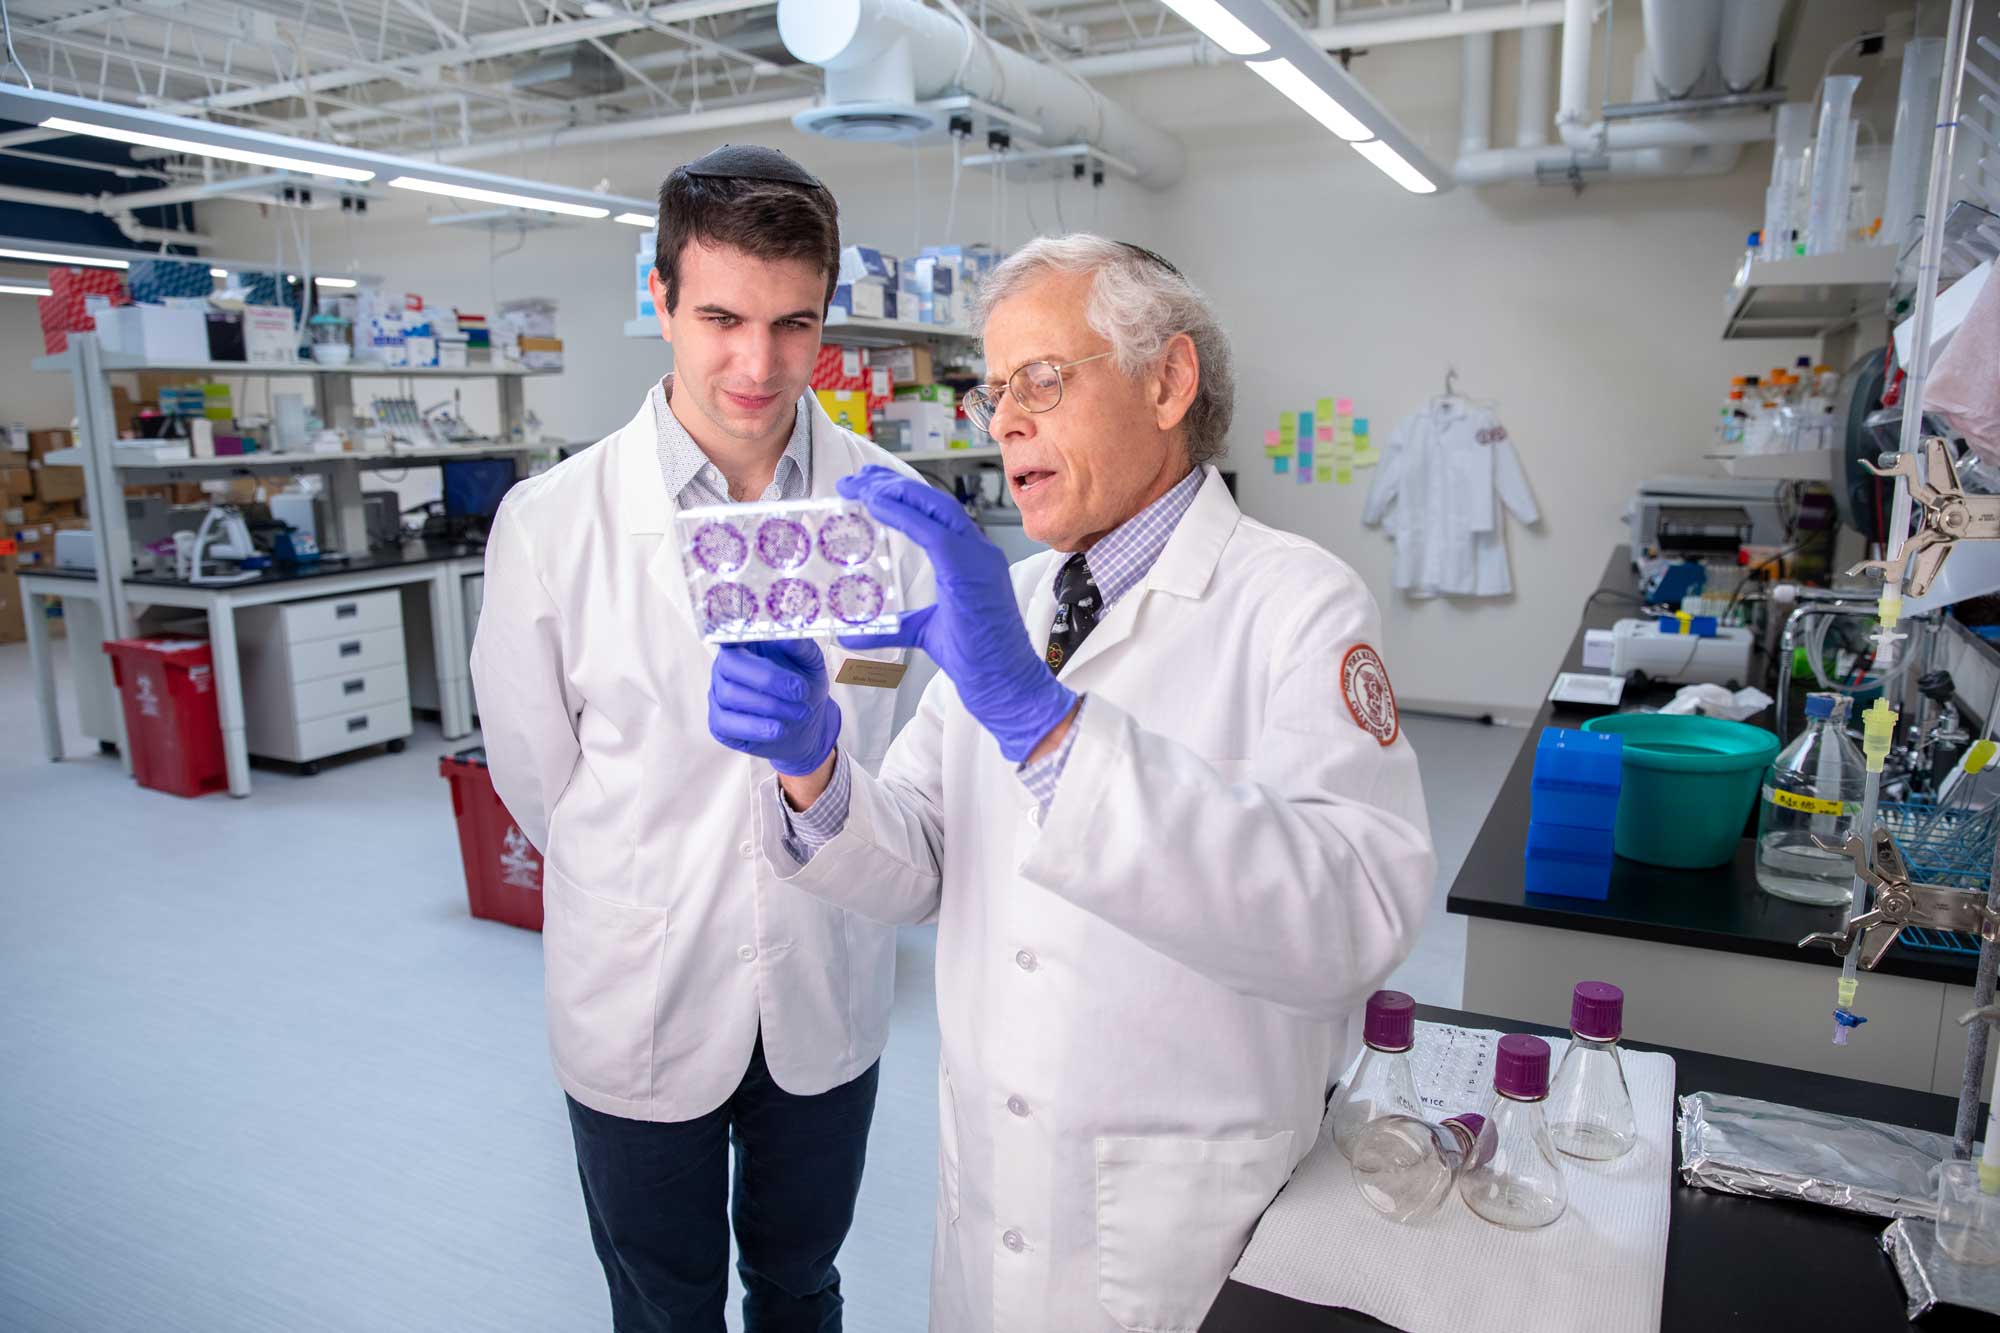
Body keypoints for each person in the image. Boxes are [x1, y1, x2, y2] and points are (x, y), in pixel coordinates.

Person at [706, 233, 1436, 1331]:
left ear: (1167, 381)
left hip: (1181, 1229)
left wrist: (1044, 728)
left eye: (1040, 380)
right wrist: (814, 765)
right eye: (991, 391)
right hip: (994, 1194)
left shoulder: (1299, 606)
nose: (1002, 421)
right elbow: (919, 859)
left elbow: (1352, 917)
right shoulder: (1013, 598)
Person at [471, 144, 927, 1333]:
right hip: (640, 979)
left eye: (793, 324)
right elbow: (536, 776)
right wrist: (651, 864)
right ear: (659, 297)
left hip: (823, 981)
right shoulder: (553, 523)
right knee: (662, 1303)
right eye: (721, 315)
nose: (757, 363)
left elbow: (890, 740)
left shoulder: (883, 510)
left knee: (801, 1283)